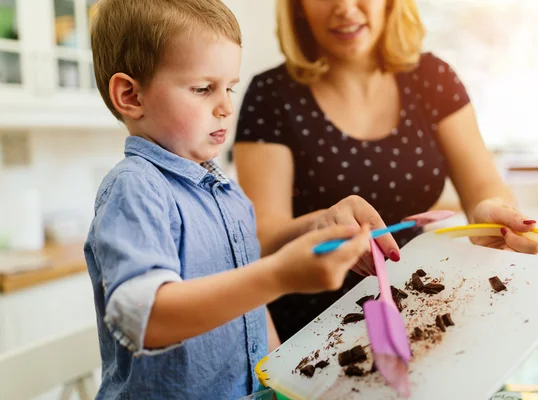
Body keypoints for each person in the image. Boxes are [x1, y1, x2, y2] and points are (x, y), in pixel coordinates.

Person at [84, 0, 374, 398]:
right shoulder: (136, 188)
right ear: (130, 96)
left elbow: (251, 305)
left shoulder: (227, 191)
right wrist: (279, 276)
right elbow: (147, 318)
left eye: (229, 88)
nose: (225, 107)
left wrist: (319, 224)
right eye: (203, 89)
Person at [233, 0, 538, 343]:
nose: (346, 9)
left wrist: (489, 213)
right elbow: (262, 242)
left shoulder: (433, 78)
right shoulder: (270, 96)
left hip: (417, 308)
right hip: (310, 334)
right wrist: (323, 224)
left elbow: (484, 185)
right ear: (298, 6)